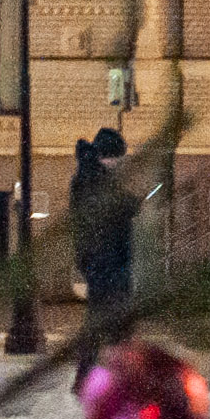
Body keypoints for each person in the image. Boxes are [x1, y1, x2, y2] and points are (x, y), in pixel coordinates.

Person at [68, 132, 134, 326]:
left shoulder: (90, 176)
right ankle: (98, 353)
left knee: (107, 312)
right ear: (108, 156)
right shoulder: (92, 178)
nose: (119, 162)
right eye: (117, 157)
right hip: (105, 257)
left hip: (101, 256)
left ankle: (101, 352)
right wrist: (130, 205)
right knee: (109, 312)